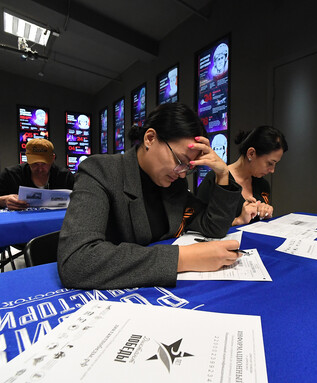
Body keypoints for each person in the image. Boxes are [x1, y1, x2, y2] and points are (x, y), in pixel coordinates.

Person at [58, 103, 243, 290]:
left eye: (188, 168)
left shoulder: (175, 184)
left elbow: (214, 227)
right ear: (150, 138)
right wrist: (183, 258)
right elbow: (77, 261)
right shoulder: (101, 171)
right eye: (180, 161)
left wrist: (222, 175)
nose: (182, 174)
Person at [197, 126, 288, 226]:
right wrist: (238, 220)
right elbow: (199, 224)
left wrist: (264, 213)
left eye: (275, 164)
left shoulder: (263, 185)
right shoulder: (215, 179)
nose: (272, 170)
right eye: (270, 163)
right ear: (251, 153)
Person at [0, 138, 74, 210]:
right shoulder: (11, 174)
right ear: (27, 159)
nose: (40, 169)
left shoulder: (64, 176)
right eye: (34, 164)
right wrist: (2, 201)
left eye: (44, 164)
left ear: (52, 158)